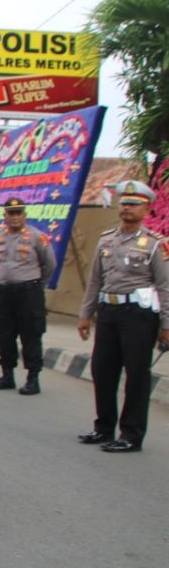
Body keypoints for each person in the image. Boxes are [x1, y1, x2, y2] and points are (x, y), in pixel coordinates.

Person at [76, 180, 169, 453]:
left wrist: (166, 325)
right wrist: (85, 315)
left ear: (146, 208)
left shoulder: (155, 245)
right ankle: (103, 427)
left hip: (138, 316)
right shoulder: (106, 240)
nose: (127, 208)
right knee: (103, 370)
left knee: (137, 374)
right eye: (124, 203)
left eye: (134, 204)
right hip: (108, 311)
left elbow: (164, 286)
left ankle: (131, 433)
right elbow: (94, 281)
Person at [0, 196, 56, 395]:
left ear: (24, 215)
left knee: (31, 334)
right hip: (4, 294)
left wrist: (36, 285)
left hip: (29, 293)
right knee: (4, 334)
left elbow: (49, 264)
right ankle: (7, 375)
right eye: (11, 213)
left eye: (19, 213)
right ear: (5, 215)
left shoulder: (37, 237)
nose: (15, 217)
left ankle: (33, 378)